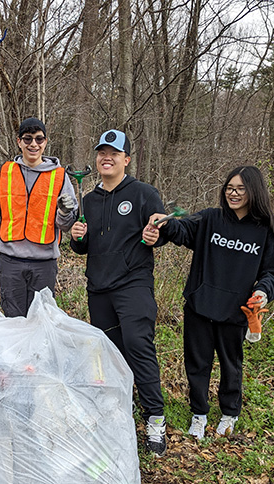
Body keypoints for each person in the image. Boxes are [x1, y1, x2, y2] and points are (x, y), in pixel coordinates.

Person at [142, 165, 274, 439]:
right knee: (197, 364)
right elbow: (183, 230)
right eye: (230, 188)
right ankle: (199, 415)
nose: (233, 193)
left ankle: (229, 414)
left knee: (231, 366)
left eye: (240, 189)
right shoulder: (211, 219)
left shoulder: (264, 231)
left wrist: (263, 292)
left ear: (254, 192)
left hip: (235, 312)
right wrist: (167, 223)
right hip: (200, 306)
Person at [69, 129, 169, 456]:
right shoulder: (89, 200)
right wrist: (77, 236)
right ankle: (118, 413)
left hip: (133, 284)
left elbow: (161, 232)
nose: (106, 158)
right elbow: (82, 248)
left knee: (139, 346)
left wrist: (157, 234)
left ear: (126, 159)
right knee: (110, 356)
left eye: (114, 153)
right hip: (99, 288)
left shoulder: (143, 194)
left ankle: (155, 417)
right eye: (101, 152)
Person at [0, 117, 78, 317]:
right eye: (27, 139)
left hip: (44, 263)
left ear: (45, 142)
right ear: (19, 142)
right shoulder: (6, 172)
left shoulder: (60, 176)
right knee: (13, 323)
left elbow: (65, 225)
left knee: (41, 322)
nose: (33, 144)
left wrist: (64, 212)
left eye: (38, 139)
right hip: (10, 262)